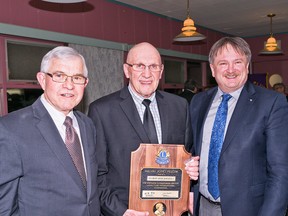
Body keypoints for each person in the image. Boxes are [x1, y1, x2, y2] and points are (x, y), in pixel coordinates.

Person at [88, 42, 199, 216]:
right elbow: (97, 174)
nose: (147, 74)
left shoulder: (179, 106)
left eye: (153, 66)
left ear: (161, 71)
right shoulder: (102, 111)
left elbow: (187, 153)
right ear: (127, 70)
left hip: (171, 209)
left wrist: (191, 167)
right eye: (139, 66)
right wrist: (121, 212)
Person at [188, 37, 288, 216]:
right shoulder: (198, 102)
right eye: (223, 63)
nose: (231, 70)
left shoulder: (271, 103)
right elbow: (191, 151)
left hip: (249, 210)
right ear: (212, 69)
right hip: (202, 207)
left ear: (247, 66)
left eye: (237, 62)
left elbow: (280, 171)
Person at [0, 46, 103, 215]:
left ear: (85, 83)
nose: (69, 85)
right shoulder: (10, 129)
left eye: (77, 78)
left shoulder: (87, 125)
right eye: (59, 76)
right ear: (42, 80)